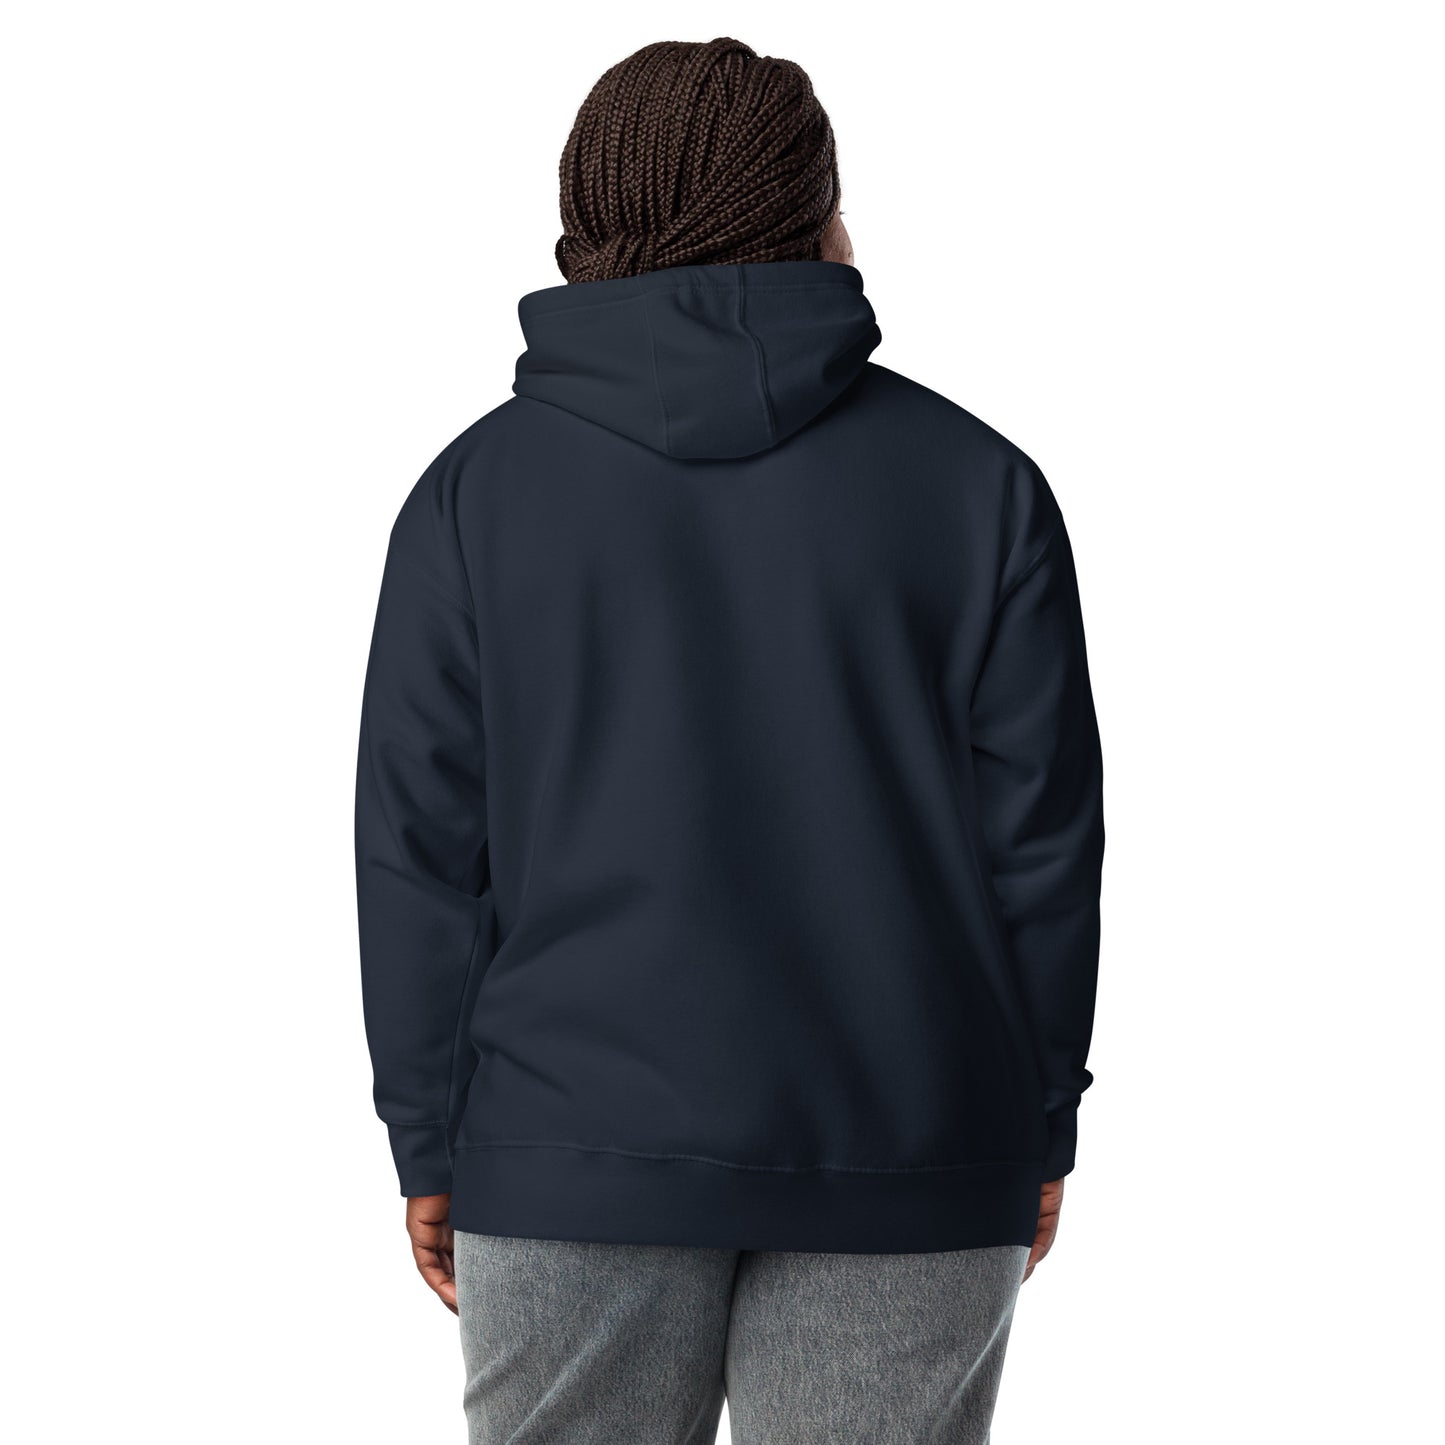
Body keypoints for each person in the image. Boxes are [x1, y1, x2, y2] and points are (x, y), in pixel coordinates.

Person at [355, 36, 1104, 1445]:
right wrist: (1036, 1117)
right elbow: (1043, 852)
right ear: (814, 216)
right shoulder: (978, 483)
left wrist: (432, 1133)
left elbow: (420, 856)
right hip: (916, 1139)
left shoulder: (473, 495)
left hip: (565, 1140)